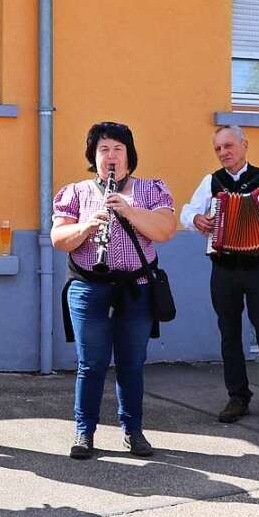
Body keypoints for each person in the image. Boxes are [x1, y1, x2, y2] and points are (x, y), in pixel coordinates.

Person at [51, 121, 176, 460]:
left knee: (132, 364)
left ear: (128, 155)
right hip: (89, 289)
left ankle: (133, 431)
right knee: (90, 365)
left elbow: (165, 230)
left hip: (136, 289)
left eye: (118, 149)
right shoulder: (76, 192)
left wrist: (129, 210)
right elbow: (59, 238)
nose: (111, 155)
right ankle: (84, 431)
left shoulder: (151, 189)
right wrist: (87, 226)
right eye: (103, 149)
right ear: (94, 155)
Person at [180, 126, 259, 428]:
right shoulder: (212, 182)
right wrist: (197, 220)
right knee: (229, 334)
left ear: (244, 145)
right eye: (218, 149)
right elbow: (186, 212)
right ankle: (237, 396)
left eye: (229, 146)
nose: (224, 153)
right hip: (223, 267)